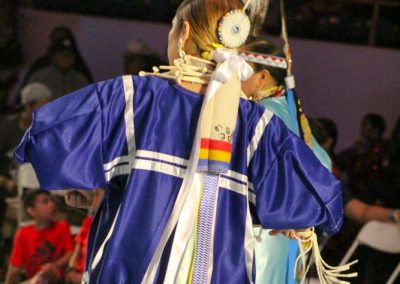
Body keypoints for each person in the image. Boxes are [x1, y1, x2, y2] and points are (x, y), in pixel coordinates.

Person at [14, 0, 344, 283]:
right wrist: (294, 218)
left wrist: (83, 178)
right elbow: (320, 197)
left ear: (183, 33)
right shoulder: (257, 124)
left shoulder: (131, 97)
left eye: (172, 30)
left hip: (131, 270)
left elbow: (47, 132)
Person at [241, 39, 333, 284]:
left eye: (242, 68)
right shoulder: (288, 111)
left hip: (261, 232)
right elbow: (323, 164)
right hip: (284, 238)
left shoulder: (260, 113)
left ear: (262, 76)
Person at [5, 190, 74, 284]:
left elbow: (70, 253)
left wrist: (55, 265)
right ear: (32, 211)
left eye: (52, 200)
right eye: (45, 202)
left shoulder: (62, 227)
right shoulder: (23, 233)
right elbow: (15, 267)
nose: (52, 204)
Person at [64, 188, 105, 284]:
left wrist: (82, 278)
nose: (92, 200)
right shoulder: (88, 222)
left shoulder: (116, 228)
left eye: (97, 195)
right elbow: (77, 253)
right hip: (79, 275)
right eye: (94, 195)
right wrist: (71, 270)